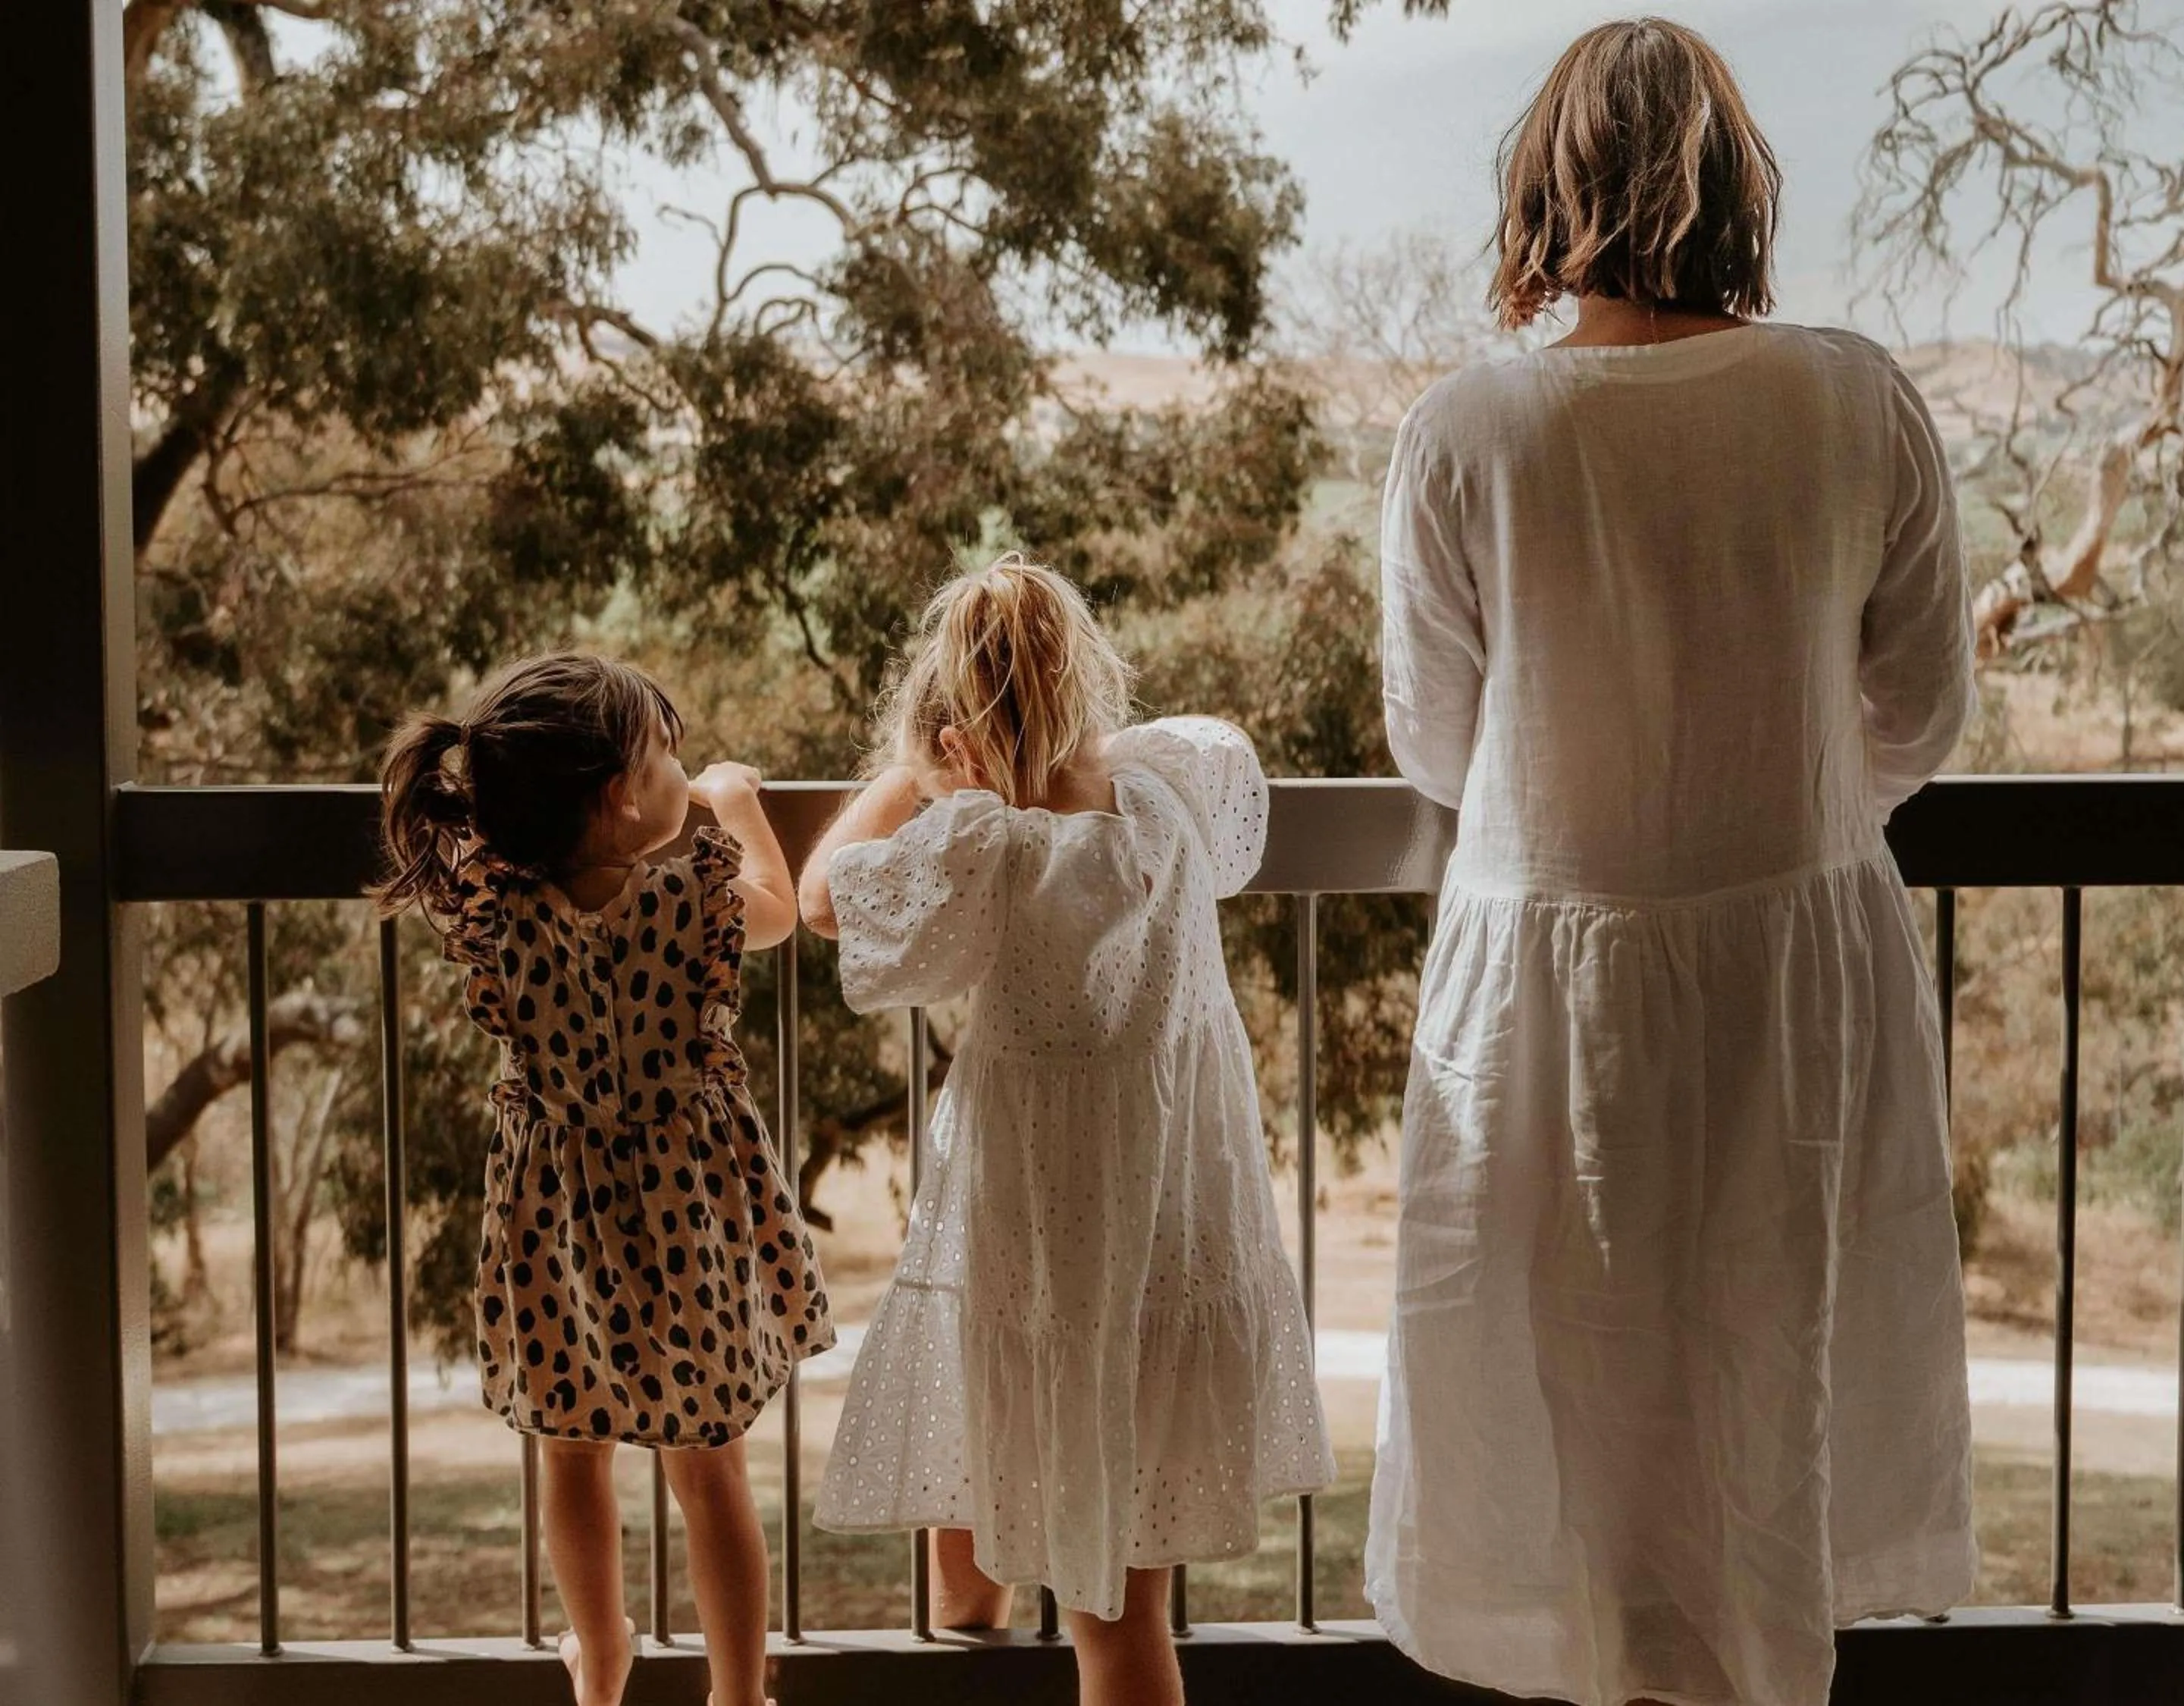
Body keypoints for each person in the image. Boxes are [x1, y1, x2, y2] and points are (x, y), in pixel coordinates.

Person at [1367, 19, 1977, 1706]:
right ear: (1738, 189)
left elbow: (1437, 742)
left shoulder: (1474, 429)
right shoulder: (1853, 398)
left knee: (1563, 1429)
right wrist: (1772, 799)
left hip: (1544, 998)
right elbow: (1922, 706)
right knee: (1767, 1391)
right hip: (1797, 973)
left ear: (1543, 188)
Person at [803, 555, 1333, 1706]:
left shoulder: (989, 846)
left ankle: (968, 1643)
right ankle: (981, 1623)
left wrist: (913, 780)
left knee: (1078, 1579)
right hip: (1173, 1224)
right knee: (1097, 1559)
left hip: (1040, 1232)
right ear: (1084, 675)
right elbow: (1211, 757)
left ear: (957, 724)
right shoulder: (1170, 793)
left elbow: (820, 898)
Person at [374, 652, 832, 1706]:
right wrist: (738, 802)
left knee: (569, 1448)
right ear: (626, 798)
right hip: (685, 1212)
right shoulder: (692, 897)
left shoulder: (497, 908)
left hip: (555, 1222)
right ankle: (736, 1691)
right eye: (670, 754)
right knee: (706, 1459)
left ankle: (603, 1651)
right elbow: (774, 906)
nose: (684, 769)